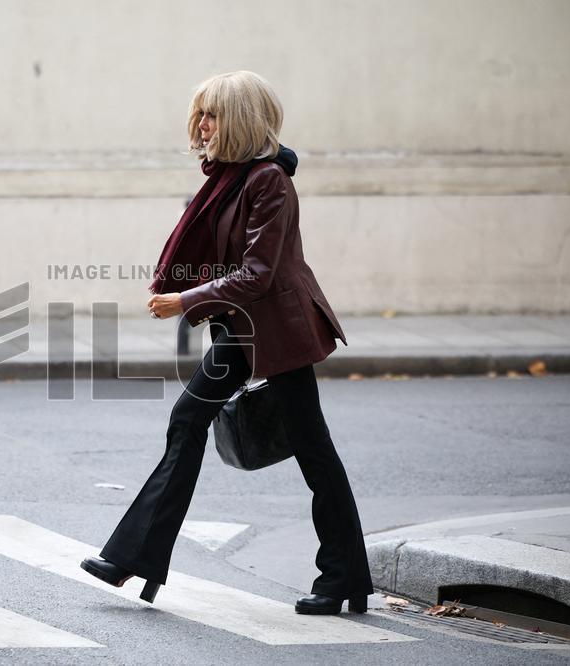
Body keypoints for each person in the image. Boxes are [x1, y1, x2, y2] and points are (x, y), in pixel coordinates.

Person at [81, 71, 374, 615]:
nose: (201, 124)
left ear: (238, 120)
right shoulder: (229, 178)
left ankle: (344, 578)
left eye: (212, 114)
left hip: (279, 329)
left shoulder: (268, 181)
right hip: (243, 328)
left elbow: (258, 274)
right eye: (199, 114)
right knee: (187, 420)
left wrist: (185, 300)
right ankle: (135, 557)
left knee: (312, 449)